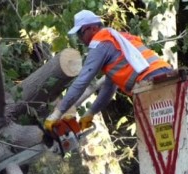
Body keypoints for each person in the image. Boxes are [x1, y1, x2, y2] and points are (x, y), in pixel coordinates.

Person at [44, 9, 172, 131]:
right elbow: (109, 87)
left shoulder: (100, 43)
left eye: (81, 33)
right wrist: (91, 112)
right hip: (165, 75)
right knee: (173, 124)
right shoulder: (117, 38)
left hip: (150, 83)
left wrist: (57, 113)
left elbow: (82, 81)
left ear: (93, 28)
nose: (80, 39)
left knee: (161, 129)